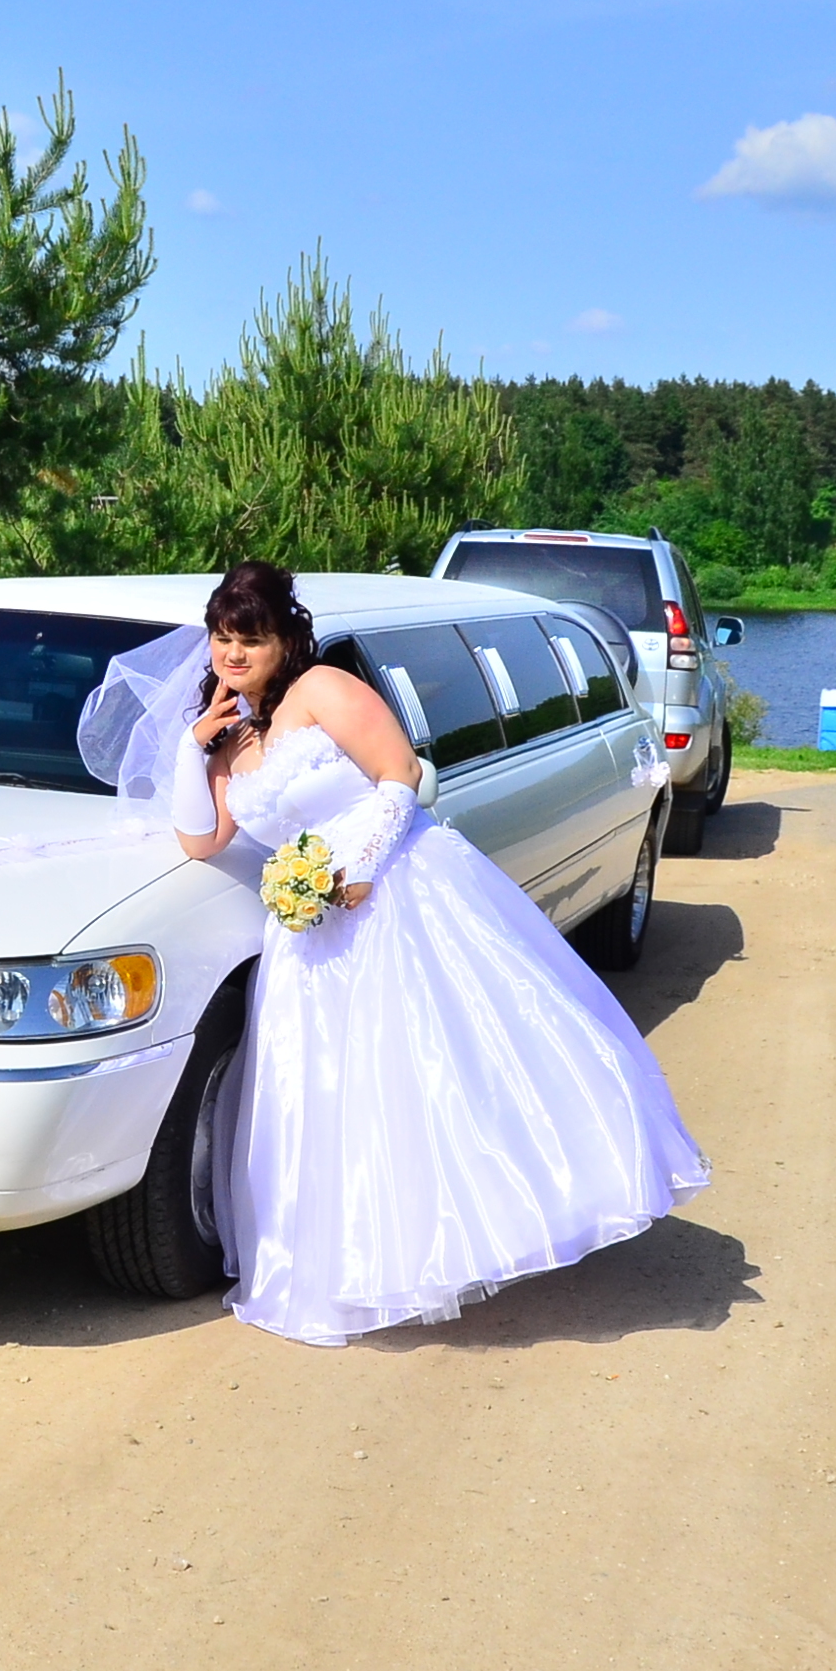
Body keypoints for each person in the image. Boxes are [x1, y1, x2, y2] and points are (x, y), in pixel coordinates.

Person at [137, 559, 708, 1344]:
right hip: (311, 934)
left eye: (252, 638)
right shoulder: (228, 735)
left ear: (284, 641)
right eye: (222, 637)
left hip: (394, 890)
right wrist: (192, 748)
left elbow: (399, 773)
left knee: (429, 1071)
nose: (233, 654)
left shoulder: (323, 689)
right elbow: (201, 841)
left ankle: (482, 1225)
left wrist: (360, 868)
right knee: (331, 1093)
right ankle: (358, 1261)